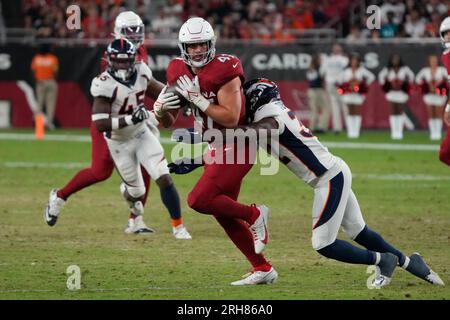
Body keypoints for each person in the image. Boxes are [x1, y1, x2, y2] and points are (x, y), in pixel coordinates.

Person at [169, 78, 445, 288]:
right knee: (358, 230)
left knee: (323, 244)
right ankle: (411, 263)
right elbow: (237, 142)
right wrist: (196, 160)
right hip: (333, 172)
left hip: (328, 179)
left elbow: (250, 131)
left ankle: (381, 260)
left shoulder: (272, 118)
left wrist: (201, 132)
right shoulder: (271, 114)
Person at [44, 12, 191, 239]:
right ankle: (60, 195)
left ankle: (136, 219)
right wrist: (137, 115)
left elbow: (149, 86)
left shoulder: (139, 53)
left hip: (137, 120)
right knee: (99, 172)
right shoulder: (114, 58)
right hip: (113, 124)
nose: (134, 36)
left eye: (136, 30)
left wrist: (178, 98)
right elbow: (115, 101)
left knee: (148, 167)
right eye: (129, 31)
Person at [158, 17, 277, 285]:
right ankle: (262, 268)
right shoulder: (177, 70)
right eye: (192, 45)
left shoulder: (225, 68)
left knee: (198, 199)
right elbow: (168, 122)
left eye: (202, 44)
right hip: (217, 145)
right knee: (223, 214)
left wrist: (198, 99)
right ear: (183, 48)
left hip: (240, 143)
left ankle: (255, 214)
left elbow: (232, 117)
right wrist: (160, 110)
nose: (198, 50)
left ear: (211, 43)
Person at [88, 38, 186, 238]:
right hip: (119, 141)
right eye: (119, 61)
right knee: (136, 193)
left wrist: (182, 100)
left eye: (127, 60)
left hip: (141, 133)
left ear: (133, 59)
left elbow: (161, 91)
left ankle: (179, 227)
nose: (123, 65)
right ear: (109, 60)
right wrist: (129, 119)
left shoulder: (142, 72)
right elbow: (100, 124)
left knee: (163, 176)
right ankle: (128, 191)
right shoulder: (103, 84)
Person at [338, 53, 375, 139]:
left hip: (358, 94)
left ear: (358, 62)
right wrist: (347, 85)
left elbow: (371, 77)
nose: (354, 62)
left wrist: (363, 84)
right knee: (350, 112)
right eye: (352, 60)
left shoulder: (361, 70)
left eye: (355, 60)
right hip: (349, 94)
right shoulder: (346, 71)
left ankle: (356, 132)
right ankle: (351, 132)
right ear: (350, 62)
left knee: (357, 112)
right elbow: (339, 80)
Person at [378, 54, 414, 140]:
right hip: (391, 93)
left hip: (401, 93)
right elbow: (380, 77)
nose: (395, 61)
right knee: (393, 111)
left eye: (397, 59)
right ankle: (394, 131)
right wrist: (388, 84)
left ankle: (399, 132)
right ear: (391, 60)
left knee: (400, 111)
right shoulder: (387, 69)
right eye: (393, 59)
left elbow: (412, 76)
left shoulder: (405, 69)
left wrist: (404, 83)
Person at [415, 55, 448, 140]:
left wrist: (440, 82)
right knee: (431, 113)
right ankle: (433, 133)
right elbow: (417, 79)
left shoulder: (442, 70)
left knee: (438, 113)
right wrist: (427, 83)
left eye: (435, 60)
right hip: (429, 94)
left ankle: (438, 132)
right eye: (431, 60)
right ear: (429, 62)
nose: (433, 62)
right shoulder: (425, 70)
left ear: (437, 61)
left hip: (439, 94)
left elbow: (448, 78)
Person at [320, 44, 348, 134]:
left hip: (335, 84)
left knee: (338, 106)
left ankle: (338, 128)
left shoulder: (328, 59)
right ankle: (344, 127)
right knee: (342, 106)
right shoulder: (344, 59)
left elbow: (321, 72)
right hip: (338, 84)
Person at [31, 43, 59, 130]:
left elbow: (33, 71)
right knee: (50, 104)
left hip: (40, 82)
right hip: (50, 81)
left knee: (39, 104)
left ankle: (39, 126)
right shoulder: (53, 59)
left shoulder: (36, 58)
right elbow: (56, 71)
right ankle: (49, 124)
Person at [306, 54, 329, 133]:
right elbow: (321, 78)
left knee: (314, 110)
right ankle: (321, 127)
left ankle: (312, 127)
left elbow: (310, 79)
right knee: (325, 109)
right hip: (319, 90)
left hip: (311, 90)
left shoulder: (310, 68)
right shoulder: (320, 68)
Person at [438, 17, 450, 165]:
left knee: (445, 152)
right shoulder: (446, 55)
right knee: (445, 153)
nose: (448, 35)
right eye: (446, 33)